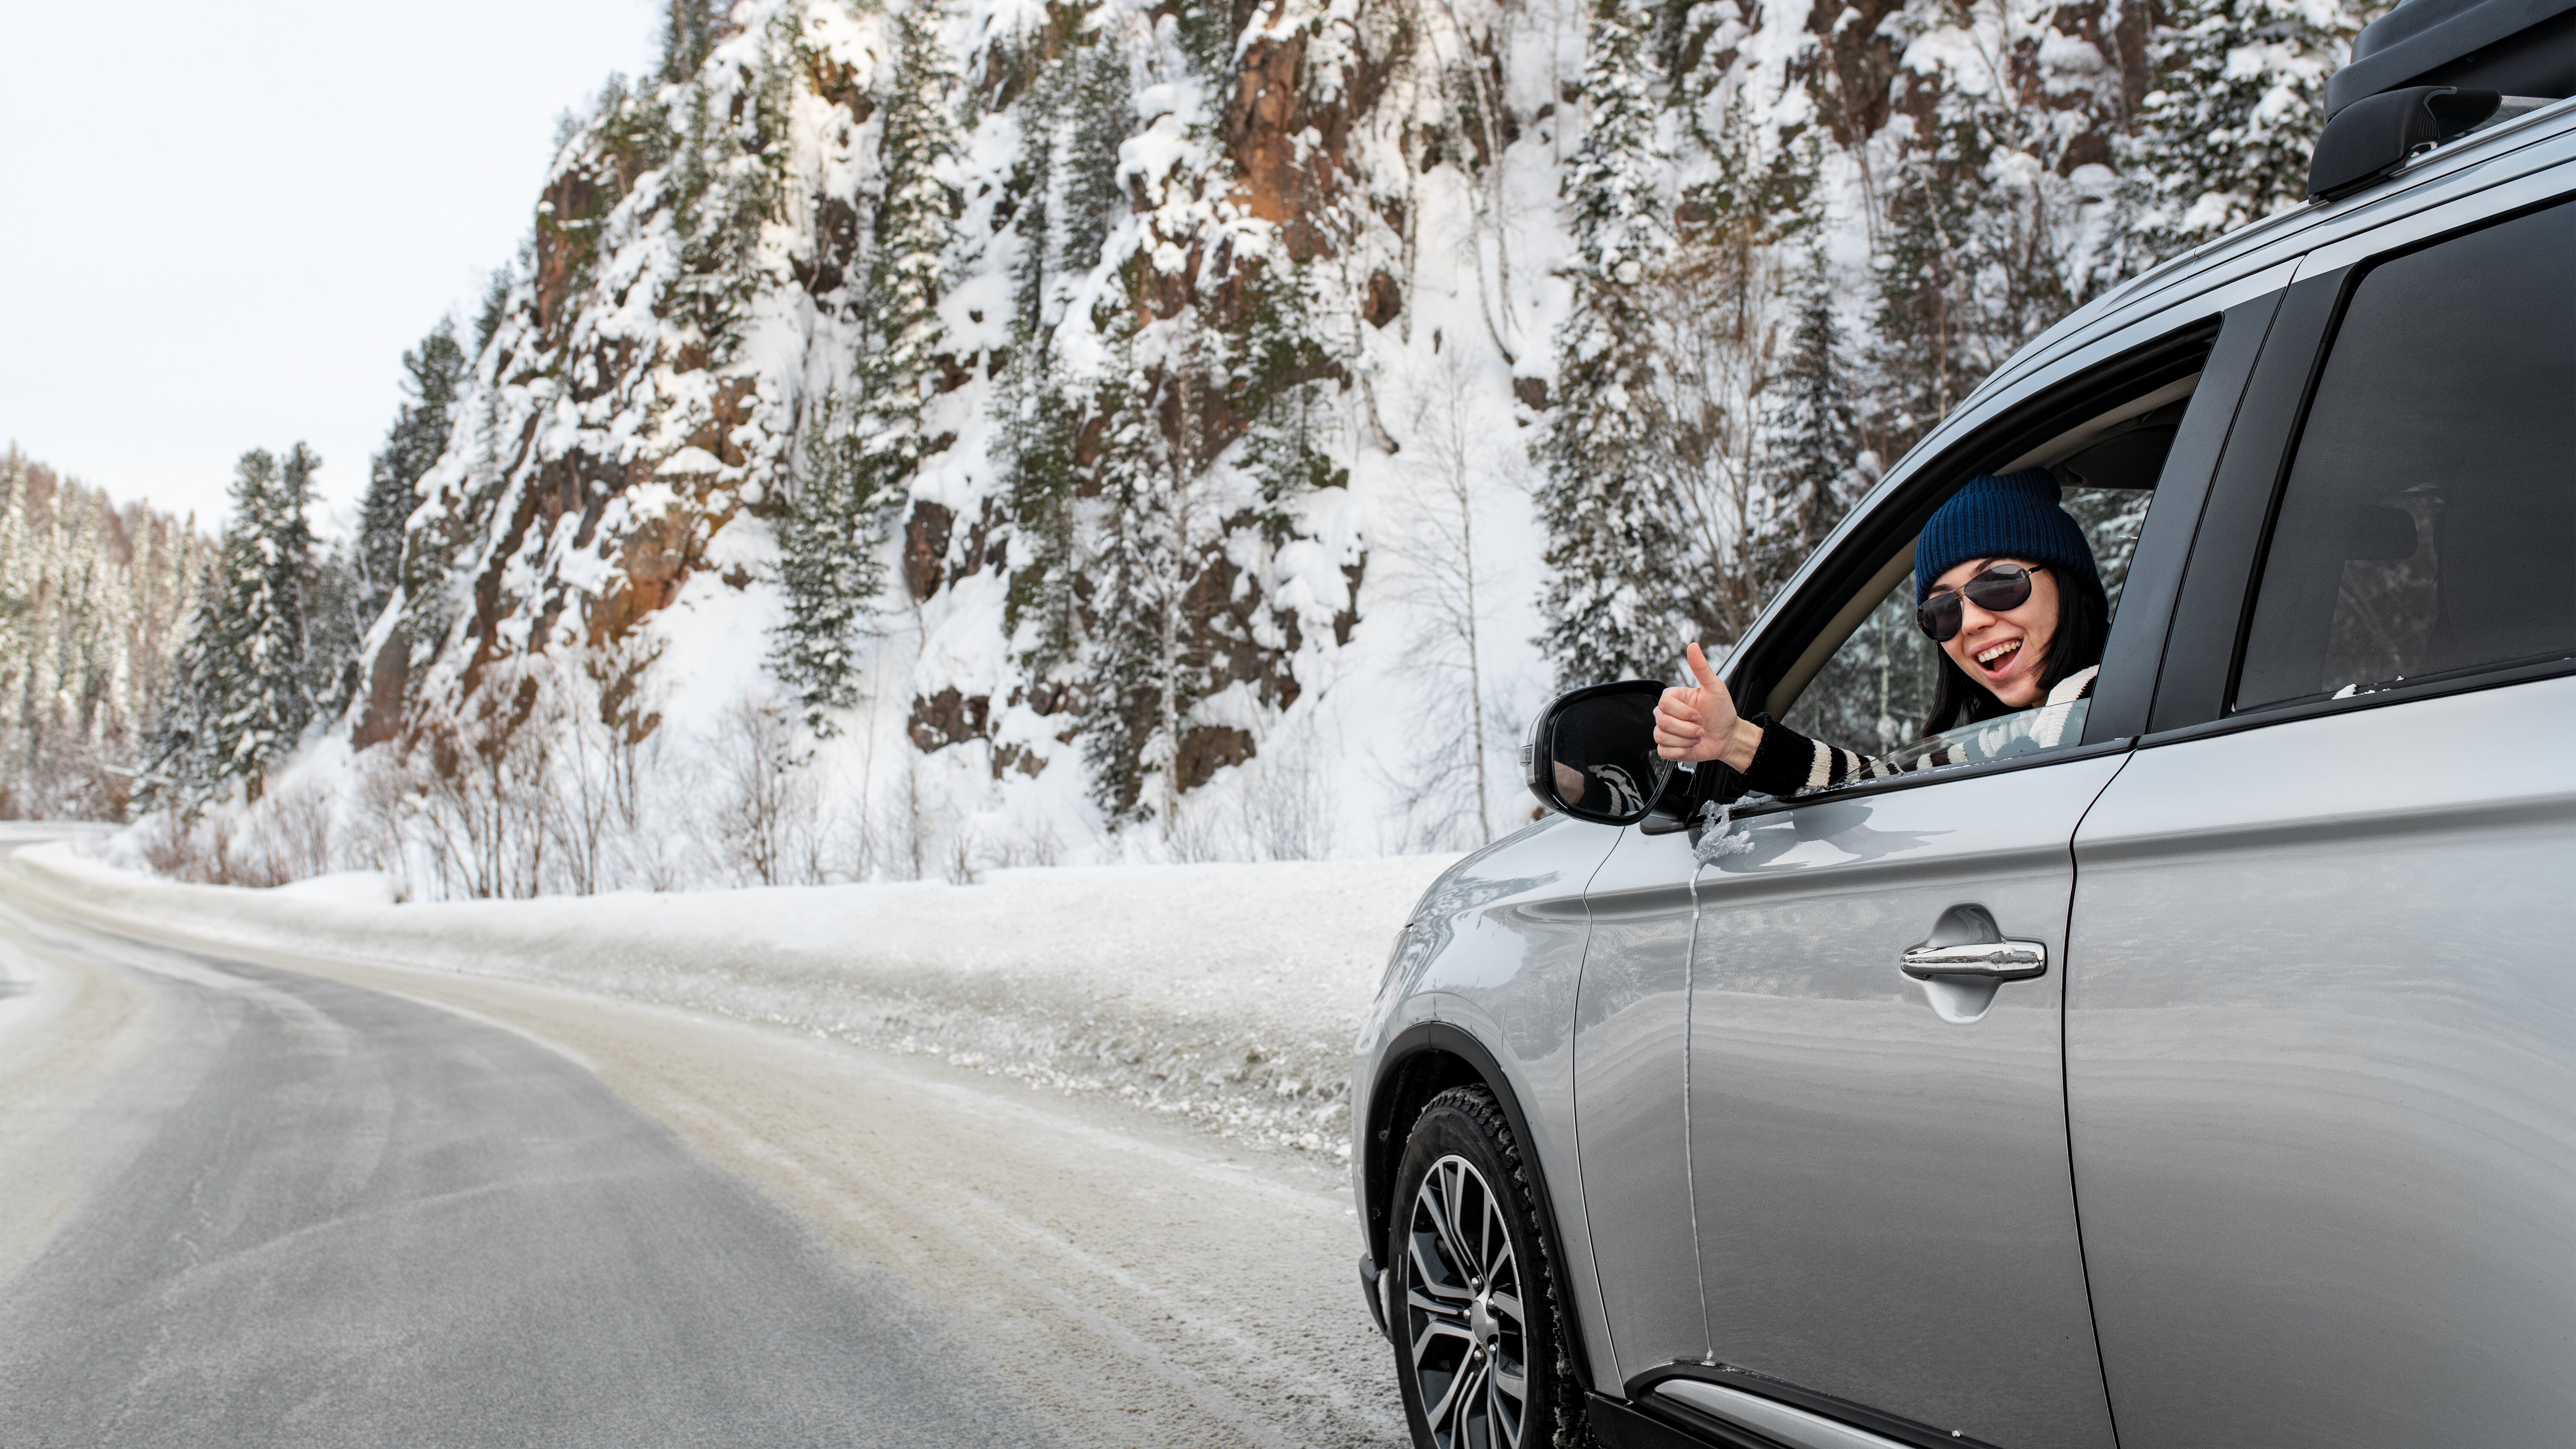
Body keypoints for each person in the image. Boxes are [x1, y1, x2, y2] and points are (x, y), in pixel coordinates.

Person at [1654, 469, 2111, 796]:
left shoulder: (2104, 703)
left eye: (1998, 583)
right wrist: (1735, 740)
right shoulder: (2003, 736)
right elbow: (1876, 787)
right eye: (1943, 609)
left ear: (2069, 580)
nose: (1971, 622)